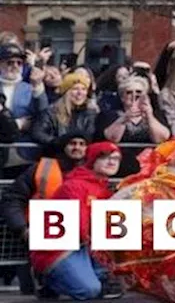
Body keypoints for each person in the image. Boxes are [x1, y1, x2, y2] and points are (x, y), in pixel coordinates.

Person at [29, 141, 125, 299]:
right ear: (92, 160)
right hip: (59, 250)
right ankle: (47, 278)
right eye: (105, 158)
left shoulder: (104, 189)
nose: (112, 162)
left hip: (83, 246)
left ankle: (94, 275)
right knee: (89, 291)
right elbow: (80, 225)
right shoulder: (74, 186)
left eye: (116, 159)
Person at [0, 133, 88, 295]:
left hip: (81, 237)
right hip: (42, 233)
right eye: (73, 143)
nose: (77, 148)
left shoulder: (93, 170)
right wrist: (22, 228)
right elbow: (12, 198)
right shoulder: (41, 168)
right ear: (63, 146)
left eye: (82, 144)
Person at [96, 75, 170, 177]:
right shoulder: (109, 115)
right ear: (122, 97)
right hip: (121, 163)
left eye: (139, 92)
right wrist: (124, 118)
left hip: (150, 164)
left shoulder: (157, 114)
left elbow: (161, 138)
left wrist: (149, 116)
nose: (134, 95)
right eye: (129, 92)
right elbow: (112, 138)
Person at [0, 42, 49, 177]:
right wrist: (18, 124)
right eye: (10, 62)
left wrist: (38, 86)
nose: (14, 66)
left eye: (19, 63)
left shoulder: (28, 88)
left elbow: (42, 113)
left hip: (22, 153)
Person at [31, 69, 97, 146]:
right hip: (56, 153)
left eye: (83, 89)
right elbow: (38, 133)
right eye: (75, 89)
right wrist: (59, 142)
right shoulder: (51, 112)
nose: (80, 93)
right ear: (66, 92)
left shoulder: (90, 113)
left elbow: (91, 135)